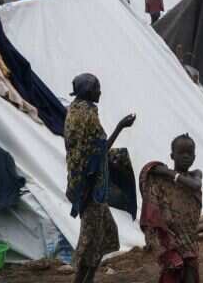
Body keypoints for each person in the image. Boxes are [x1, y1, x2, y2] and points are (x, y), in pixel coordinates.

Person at [64, 74, 136, 283]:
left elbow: (88, 151)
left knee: (105, 234)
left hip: (83, 183)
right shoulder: (87, 116)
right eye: (97, 88)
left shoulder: (74, 110)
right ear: (88, 91)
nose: (100, 92)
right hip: (90, 188)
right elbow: (100, 150)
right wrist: (121, 126)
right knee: (89, 242)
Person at [139, 135, 203, 283]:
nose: (186, 156)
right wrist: (164, 172)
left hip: (189, 239)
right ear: (172, 156)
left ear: (194, 157)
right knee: (172, 273)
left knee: (190, 272)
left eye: (189, 153)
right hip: (172, 238)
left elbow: (196, 185)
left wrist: (169, 172)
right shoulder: (162, 182)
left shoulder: (196, 175)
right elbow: (147, 172)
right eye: (181, 152)